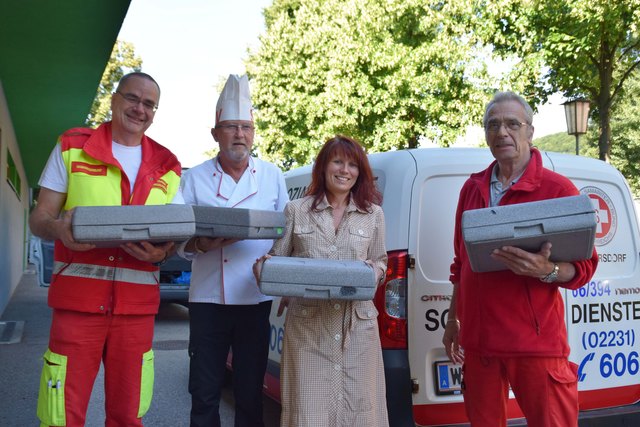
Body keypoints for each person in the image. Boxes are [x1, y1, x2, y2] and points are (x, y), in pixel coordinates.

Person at [29, 72, 183, 427]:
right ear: (114, 99)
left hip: (136, 311)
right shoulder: (72, 146)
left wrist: (162, 253)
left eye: (149, 104)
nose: (139, 109)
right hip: (78, 304)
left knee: (128, 416)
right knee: (61, 416)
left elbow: (177, 233)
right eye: (132, 98)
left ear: (155, 111)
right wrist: (59, 230)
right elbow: (39, 219)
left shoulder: (168, 164)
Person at [443, 91, 599, 427]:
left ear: (529, 131)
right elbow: (461, 263)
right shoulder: (472, 190)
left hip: (535, 343)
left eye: (513, 124)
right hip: (480, 342)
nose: (502, 132)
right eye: (493, 125)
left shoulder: (557, 189)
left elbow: (586, 268)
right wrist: (453, 320)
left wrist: (548, 270)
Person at [254, 135, 389, 427]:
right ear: (324, 167)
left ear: (360, 172)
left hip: (358, 328)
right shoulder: (296, 211)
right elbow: (276, 259)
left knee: (360, 411)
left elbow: (381, 260)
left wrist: (375, 272)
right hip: (308, 327)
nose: (345, 170)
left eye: (353, 165)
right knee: (308, 412)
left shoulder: (373, 215)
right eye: (338, 161)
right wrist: (265, 268)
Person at [177, 74, 288, 427]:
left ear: (253, 133)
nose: (239, 134)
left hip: (255, 298)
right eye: (230, 127)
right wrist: (200, 243)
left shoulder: (272, 175)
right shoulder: (193, 178)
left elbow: (286, 232)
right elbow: (178, 237)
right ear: (215, 133)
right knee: (204, 389)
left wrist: (278, 262)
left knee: (249, 389)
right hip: (208, 298)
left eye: (245, 127)